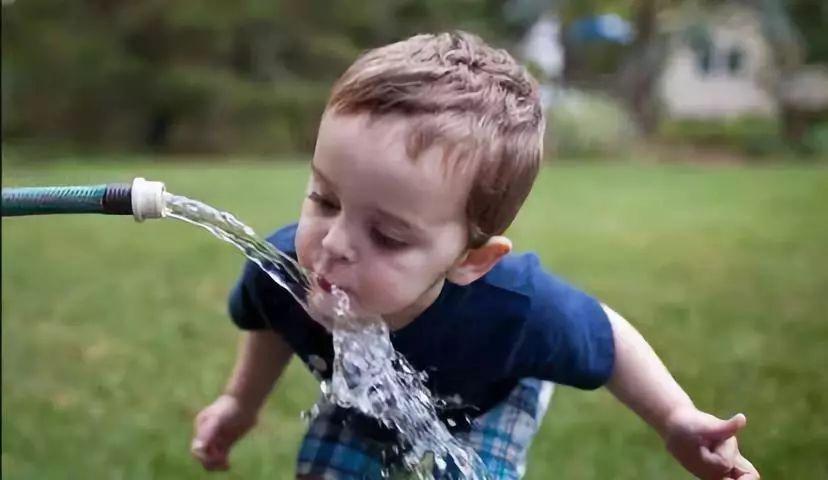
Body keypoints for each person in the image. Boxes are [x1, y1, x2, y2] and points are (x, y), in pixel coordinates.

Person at [190, 31, 759, 479]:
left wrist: (675, 418)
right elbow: (271, 319)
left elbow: (610, 340)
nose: (334, 244)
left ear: (471, 259)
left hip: (490, 392)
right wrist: (241, 402)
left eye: (387, 236)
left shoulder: (516, 311)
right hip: (371, 394)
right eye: (325, 200)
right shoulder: (286, 268)